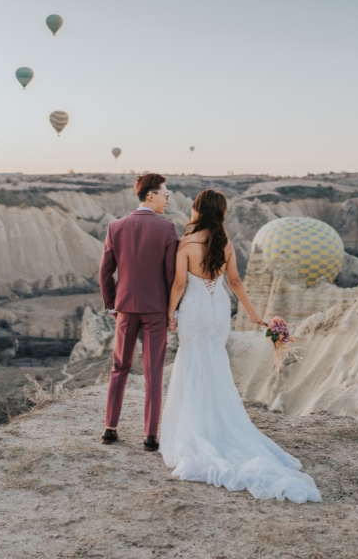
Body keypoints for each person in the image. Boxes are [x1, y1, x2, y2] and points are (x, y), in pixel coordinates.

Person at [159, 189, 321, 503]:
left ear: (197, 210)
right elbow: (234, 282)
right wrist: (253, 313)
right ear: (220, 212)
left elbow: (179, 283)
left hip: (193, 308)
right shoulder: (225, 243)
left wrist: (170, 313)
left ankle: (196, 429)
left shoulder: (187, 243)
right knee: (215, 362)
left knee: (192, 361)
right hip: (219, 309)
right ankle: (220, 425)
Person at [99, 173, 179, 451]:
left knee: (119, 367)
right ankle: (150, 436)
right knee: (153, 372)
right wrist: (173, 311)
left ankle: (109, 429)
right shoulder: (167, 229)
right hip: (155, 308)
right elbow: (170, 275)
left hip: (124, 307)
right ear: (150, 196)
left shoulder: (115, 227)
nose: (167, 200)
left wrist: (112, 304)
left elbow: (105, 271)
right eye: (165, 194)